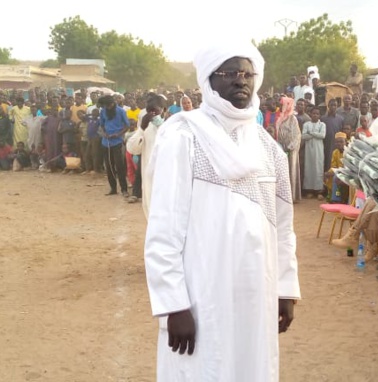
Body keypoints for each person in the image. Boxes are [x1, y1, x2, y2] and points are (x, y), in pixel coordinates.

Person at [143, 40, 300, 382]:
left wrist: (286, 289)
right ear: (208, 81)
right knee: (201, 369)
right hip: (201, 294)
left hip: (256, 290)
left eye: (247, 73)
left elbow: (283, 226)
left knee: (251, 366)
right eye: (229, 73)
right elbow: (164, 227)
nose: (240, 81)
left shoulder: (269, 148)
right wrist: (174, 305)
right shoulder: (183, 137)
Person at [126, 94, 166, 217]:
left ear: (163, 110)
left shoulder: (171, 127)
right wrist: (141, 129)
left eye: (155, 111)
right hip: (149, 177)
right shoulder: (145, 128)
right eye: (149, 111)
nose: (152, 115)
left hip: (166, 177)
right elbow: (132, 148)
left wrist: (161, 126)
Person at [98, 95, 131, 198]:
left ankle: (124, 189)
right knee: (109, 166)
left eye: (108, 105)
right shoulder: (103, 111)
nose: (107, 107)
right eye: (105, 106)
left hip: (117, 141)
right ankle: (113, 188)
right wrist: (104, 133)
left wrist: (118, 134)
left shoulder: (121, 111)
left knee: (120, 166)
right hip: (106, 142)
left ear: (112, 104)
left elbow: (127, 126)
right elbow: (102, 125)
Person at [275, 96, 302, 203]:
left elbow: (297, 135)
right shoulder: (281, 117)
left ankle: (291, 196)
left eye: (283, 104)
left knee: (291, 170)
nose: (281, 106)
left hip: (291, 150)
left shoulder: (293, 118)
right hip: (281, 148)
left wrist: (289, 147)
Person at [301, 107, 325, 199]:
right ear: (310, 114)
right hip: (309, 150)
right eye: (313, 113)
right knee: (309, 168)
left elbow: (322, 135)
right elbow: (303, 136)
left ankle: (319, 191)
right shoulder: (306, 124)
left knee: (318, 168)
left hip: (318, 149)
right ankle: (309, 190)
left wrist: (310, 133)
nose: (315, 115)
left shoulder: (322, 125)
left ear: (319, 115)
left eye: (317, 114)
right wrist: (315, 134)